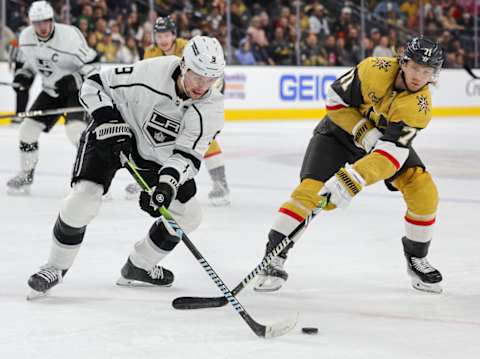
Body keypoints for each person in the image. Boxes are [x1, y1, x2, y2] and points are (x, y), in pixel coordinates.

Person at [27, 35, 225, 297]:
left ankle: (138, 266)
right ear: (183, 66)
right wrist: (108, 120)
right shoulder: (151, 72)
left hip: (157, 155)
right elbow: (93, 84)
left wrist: (166, 185)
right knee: (84, 199)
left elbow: (187, 156)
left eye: (211, 79)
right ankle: (55, 267)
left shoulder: (211, 108)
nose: (202, 86)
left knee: (188, 215)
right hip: (114, 133)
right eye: (197, 76)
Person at [254, 37, 445, 294]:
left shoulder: (419, 107)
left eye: (426, 71)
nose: (418, 76)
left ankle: (416, 259)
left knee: (423, 189)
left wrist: (352, 179)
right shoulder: (374, 69)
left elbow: (391, 155)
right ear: (403, 61)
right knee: (308, 193)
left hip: (383, 148)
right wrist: (364, 132)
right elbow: (335, 101)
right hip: (337, 133)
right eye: (414, 67)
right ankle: (272, 258)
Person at [125, 16, 230, 206]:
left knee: (203, 140)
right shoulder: (151, 52)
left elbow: (213, 82)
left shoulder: (188, 48)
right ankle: (145, 177)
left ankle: (220, 183)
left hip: (199, 96)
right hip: (169, 99)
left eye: (167, 35)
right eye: (159, 35)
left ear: (174, 35)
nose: (163, 39)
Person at [6, 1, 97, 195]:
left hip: (76, 91)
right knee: (27, 129)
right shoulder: (26, 38)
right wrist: (24, 78)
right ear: (31, 23)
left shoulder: (69, 36)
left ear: (52, 20)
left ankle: (93, 179)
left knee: (76, 132)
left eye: (46, 21)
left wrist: (74, 79)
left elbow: (92, 66)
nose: (42, 27)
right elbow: (29, 65)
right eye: (37, 23)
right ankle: (26, 175)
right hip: (51, 90)